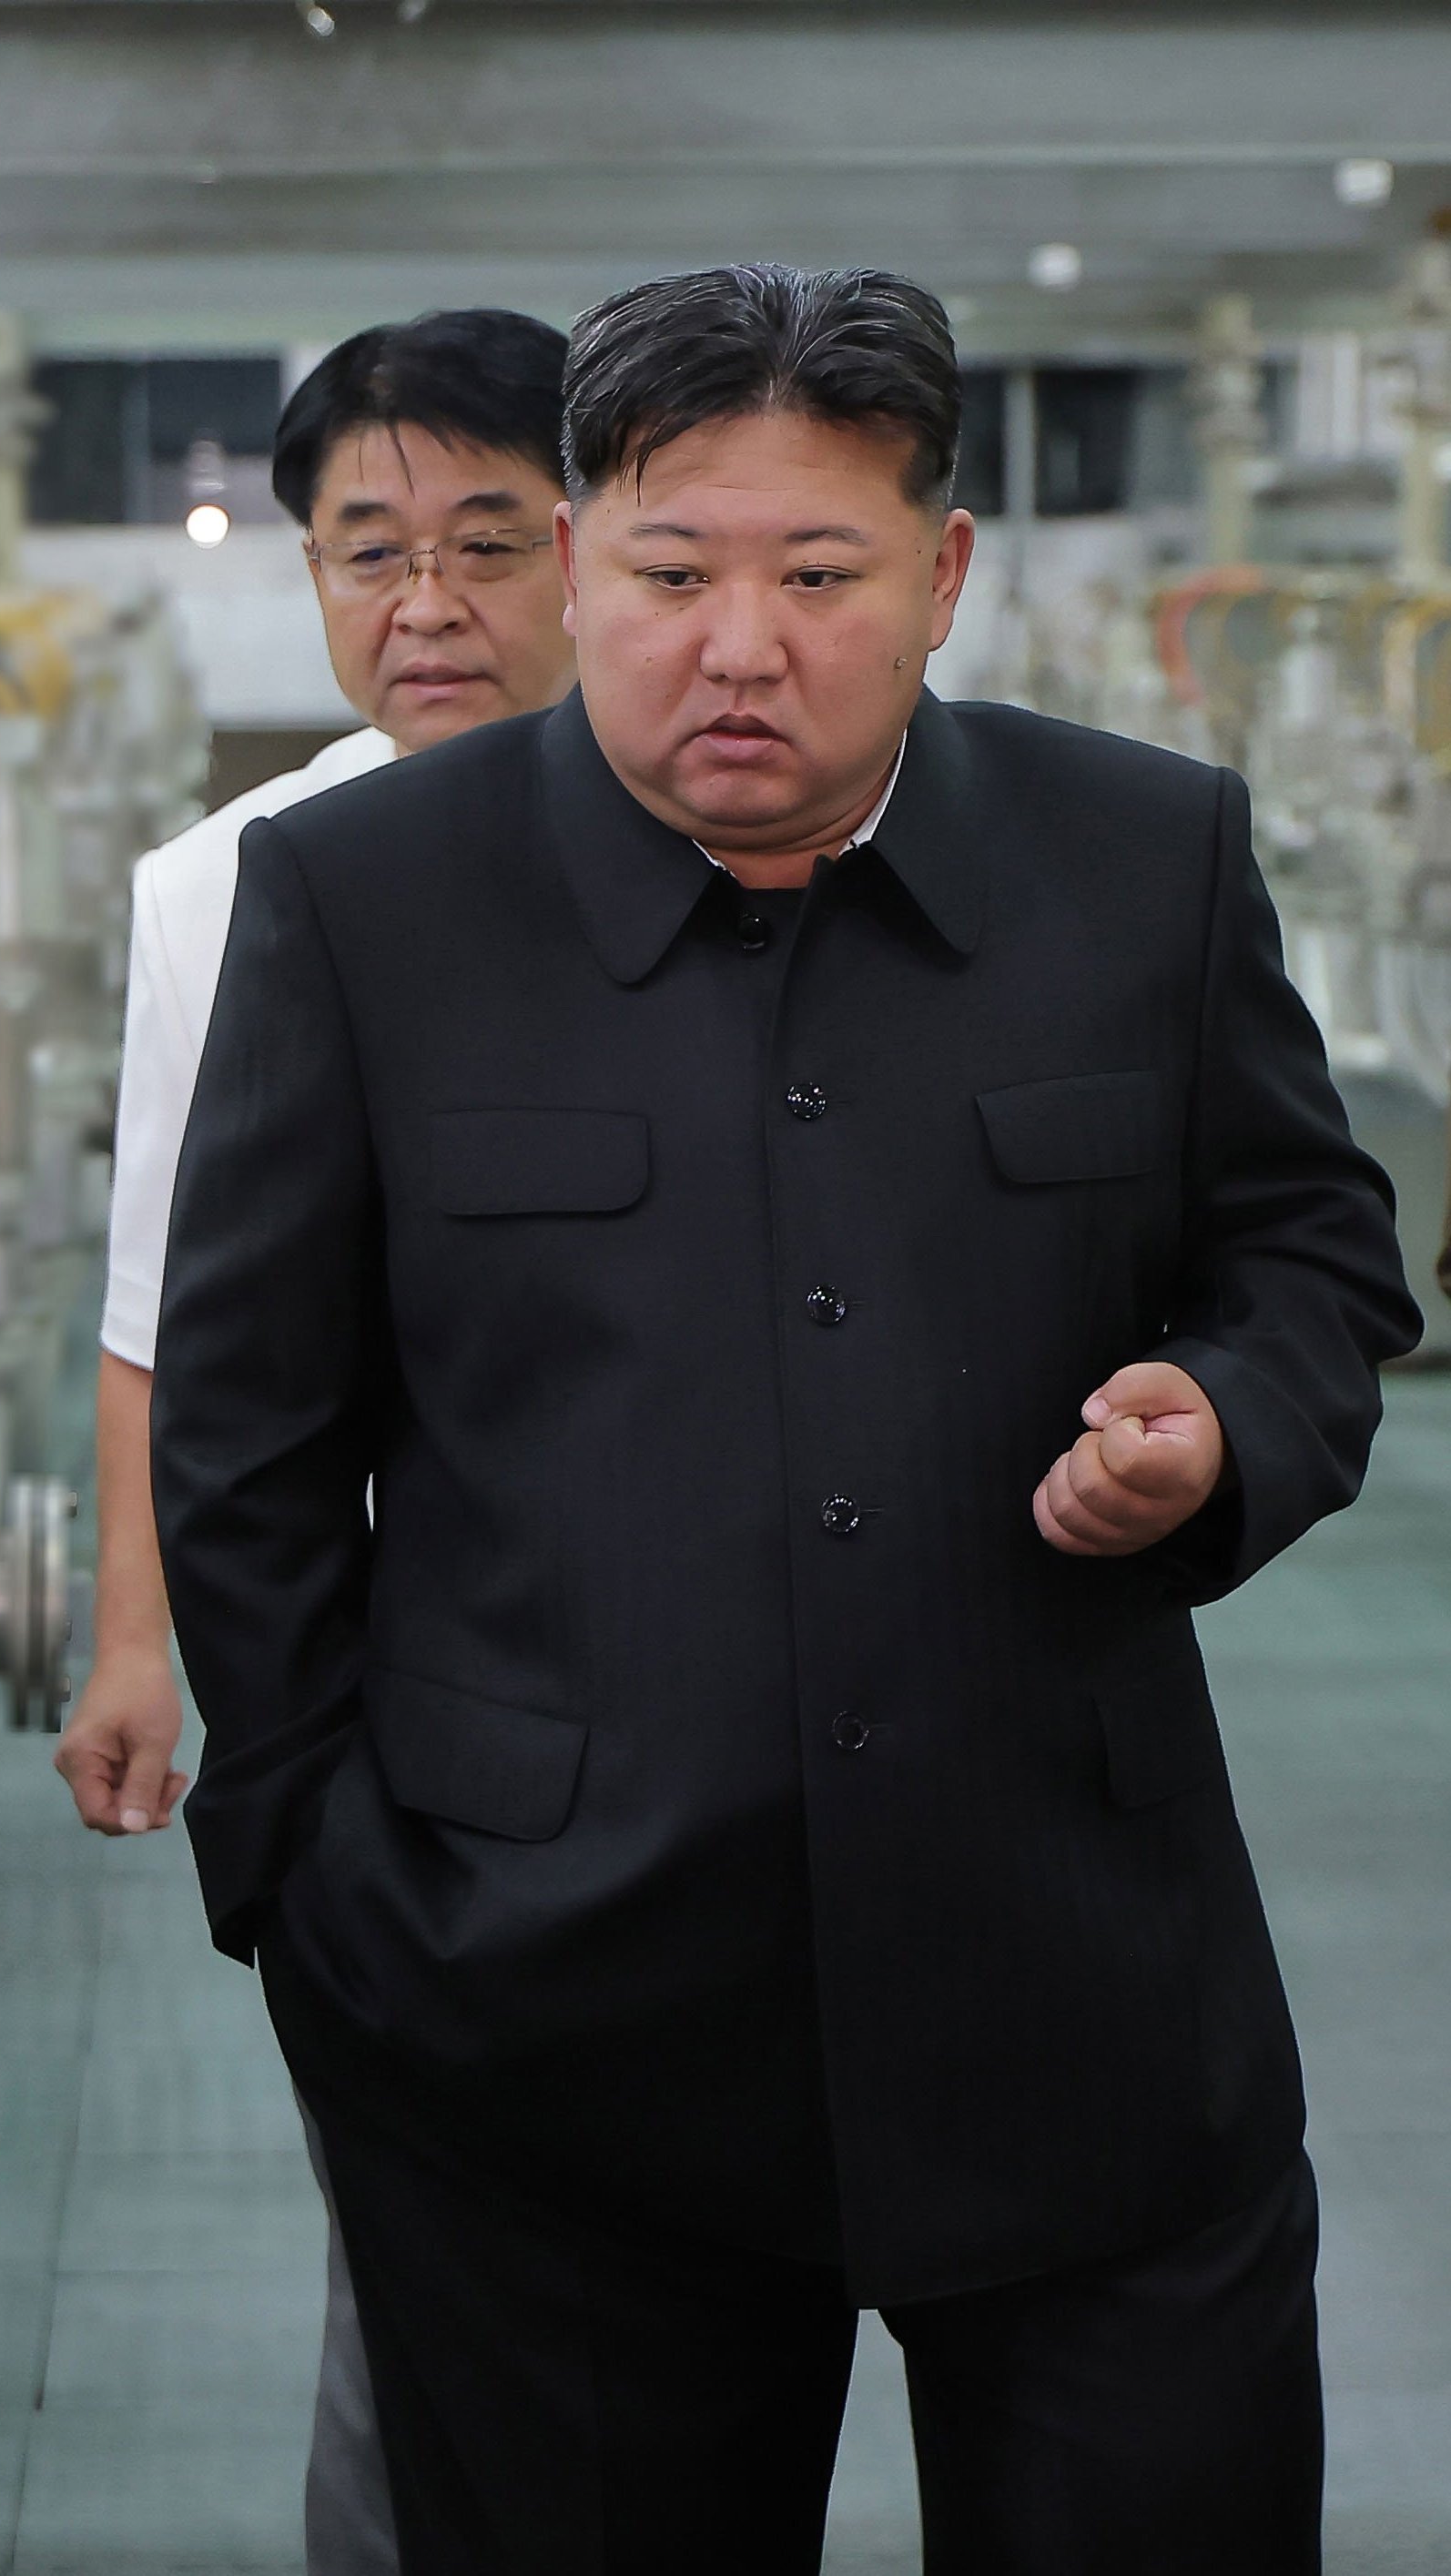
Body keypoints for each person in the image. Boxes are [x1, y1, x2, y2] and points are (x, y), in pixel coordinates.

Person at [150, 261, 1423, 2575]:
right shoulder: (360, 902)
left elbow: (1317, 1257)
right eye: (667, 572)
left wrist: (1222, 1421)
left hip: (1081, 1994)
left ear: (938, 578)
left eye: (818, 576)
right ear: (576, 565)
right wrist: (313, 1889)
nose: (739, 645)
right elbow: (244, 1429)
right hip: (539, 2024)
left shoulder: (1139, 859)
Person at [55, 307, 576, 2576]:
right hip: (403, 1686)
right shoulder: (231, 884)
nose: (424, 604)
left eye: (484, 539)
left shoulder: (734, 810)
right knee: (431, 2266)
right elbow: (165, 1301)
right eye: (368, 551)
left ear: (593, 545)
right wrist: (132, 1635)